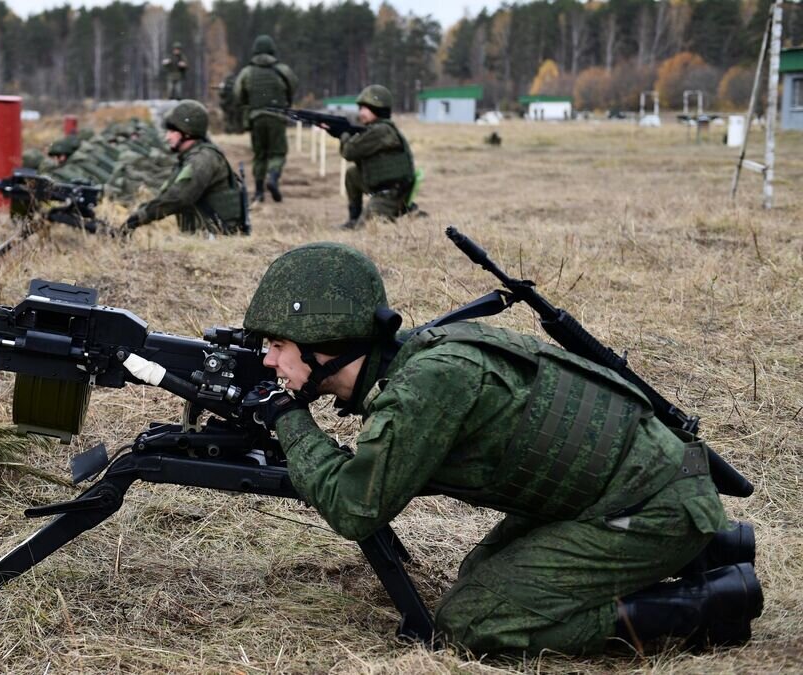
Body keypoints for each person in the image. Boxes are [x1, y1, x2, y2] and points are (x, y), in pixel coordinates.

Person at [240, 241, 762, 654]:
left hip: (646, 505)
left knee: (473, 620)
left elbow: (355, 507)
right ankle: (713, 545)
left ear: (323, 342)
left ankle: (712, 603)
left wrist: (289, 419)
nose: (269, 361)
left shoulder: (425, 388)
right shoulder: (431, 357)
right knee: (478, 578)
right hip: (641, 487)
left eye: (278, 346)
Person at [123, 100, 245, 236]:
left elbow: (178, 198)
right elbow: (167, 195)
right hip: (206, 235)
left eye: (172, 131)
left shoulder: (202, 159)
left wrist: (139, 218)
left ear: (187, 133)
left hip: (217, 238)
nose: (167, 137)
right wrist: (138, 214)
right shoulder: (191, 156)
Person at [329, 85, 416, 229]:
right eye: (360, 108)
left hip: (390, 194)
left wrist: (343, 134)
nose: (360, 112)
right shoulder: (379, 128)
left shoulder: (380, 131)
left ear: (378, 110)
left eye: (365, 108)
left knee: (365, 228)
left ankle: (402, 210)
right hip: (383, 187)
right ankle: (353, 218)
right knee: (352, 174)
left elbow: (349, 152)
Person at [234, 35, 298, 203]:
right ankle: (273, 178)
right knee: (278, 153)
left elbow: (238, 95)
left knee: (259, 155)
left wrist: (249, 105)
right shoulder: (282, 70)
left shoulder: (247, 72)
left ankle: (259, 192)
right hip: (277, 117)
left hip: (256, 118)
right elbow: (293, 86)